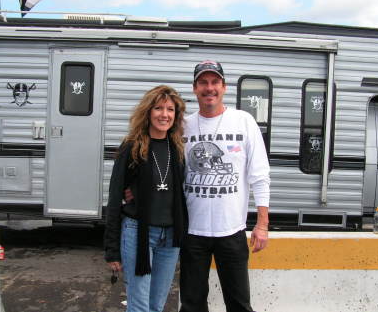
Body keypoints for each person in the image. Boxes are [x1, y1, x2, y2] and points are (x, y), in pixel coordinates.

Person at [179, 60, 271, 312]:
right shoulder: (182, 126)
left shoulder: (244, 121)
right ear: (195, 88)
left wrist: (262, 224)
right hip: (192, 232)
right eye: (203, 82)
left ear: (224, 87)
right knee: (191, 304)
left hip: (231, 231)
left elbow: (260, 176)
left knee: (239, 304)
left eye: (215, 82)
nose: (210, 88)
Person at [104, 85, 188, 312]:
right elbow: (114, 198)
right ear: (148, 112)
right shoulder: (131, 147)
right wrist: (111, 249)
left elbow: (177, 193)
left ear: (176, 115)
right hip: (138, 233)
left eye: (170, 109)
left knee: (156, 305)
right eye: (158, 108)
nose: (164, 114)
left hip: (170, 238)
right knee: (140, 306)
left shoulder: (177, 148)